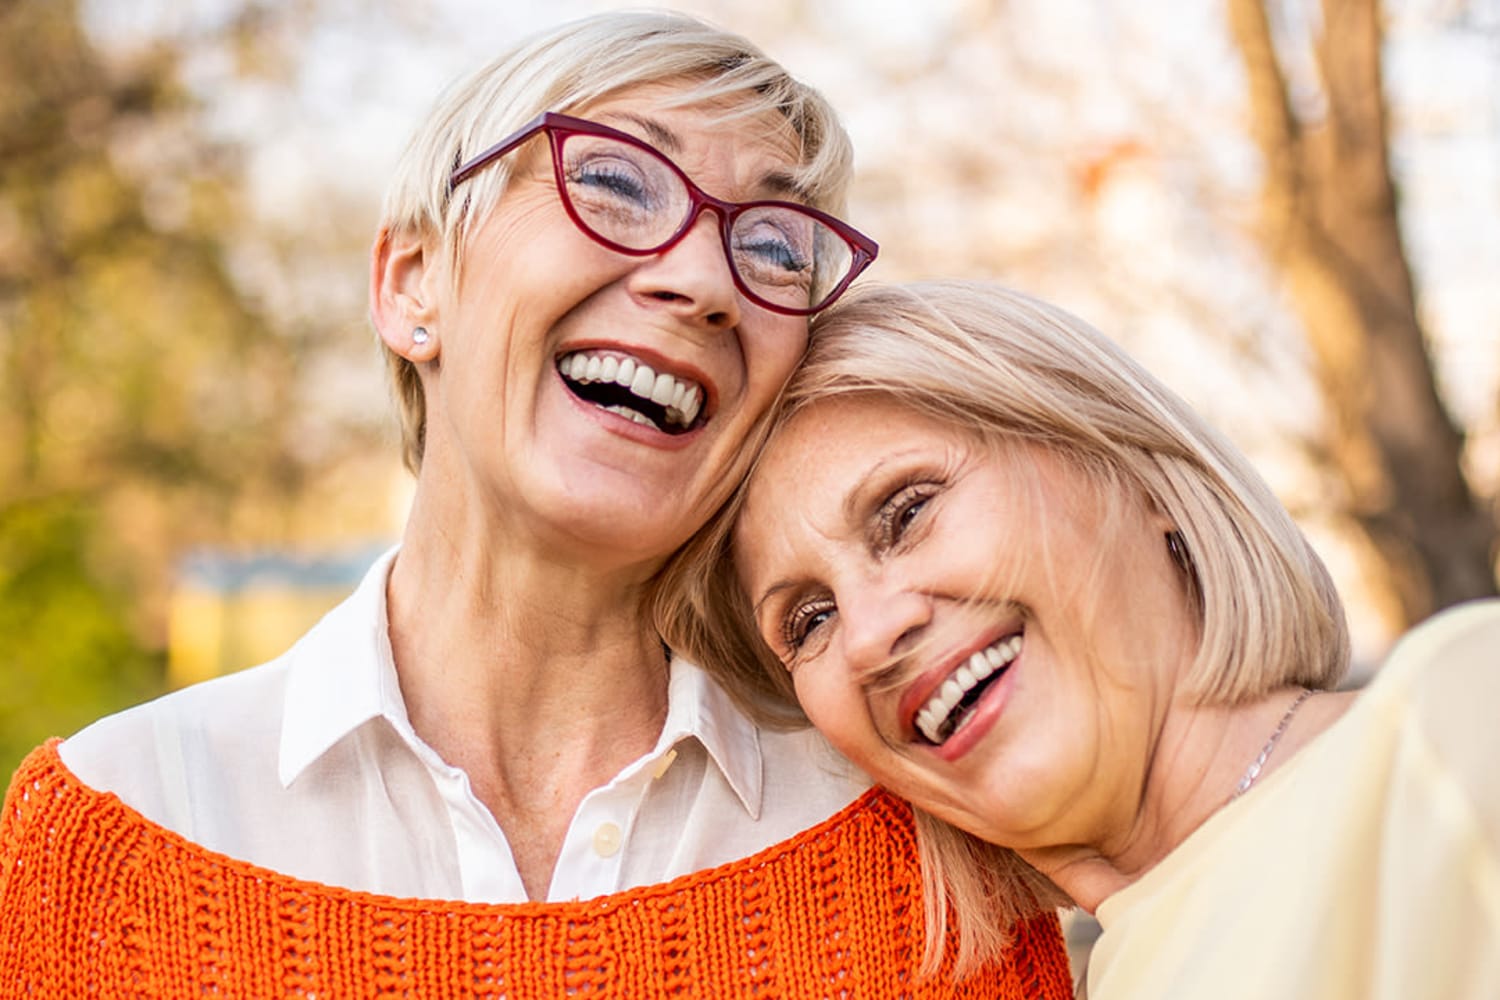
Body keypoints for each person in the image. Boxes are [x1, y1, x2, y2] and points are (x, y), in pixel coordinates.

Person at [0, 19, 1072, 998]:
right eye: (615, 180)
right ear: (412, 281)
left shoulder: (923, 859)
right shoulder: (118, 832)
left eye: (775, 247)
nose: (703, 279)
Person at [663, 279, 1500, 998]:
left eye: (908, 510)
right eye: (809, 621)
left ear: (1134, 475)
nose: (872, 633)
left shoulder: (1454, 722)